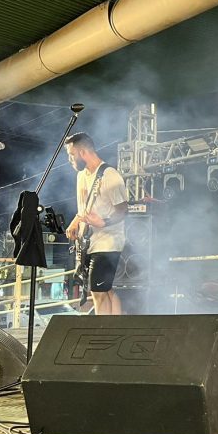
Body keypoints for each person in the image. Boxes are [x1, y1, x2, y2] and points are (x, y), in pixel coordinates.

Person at [64, 132, 128, 315]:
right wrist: (75, 222)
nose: (70, 160)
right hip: (89, 243)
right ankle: (114, 328)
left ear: (83, 152)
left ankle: (101, 329)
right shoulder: (82, 176)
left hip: (108, 242)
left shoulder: (110, 175)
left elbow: (123, 210)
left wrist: (103, 222)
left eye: (72, 155)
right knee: (106, 290)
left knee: (98, 292)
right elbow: (85, 209)